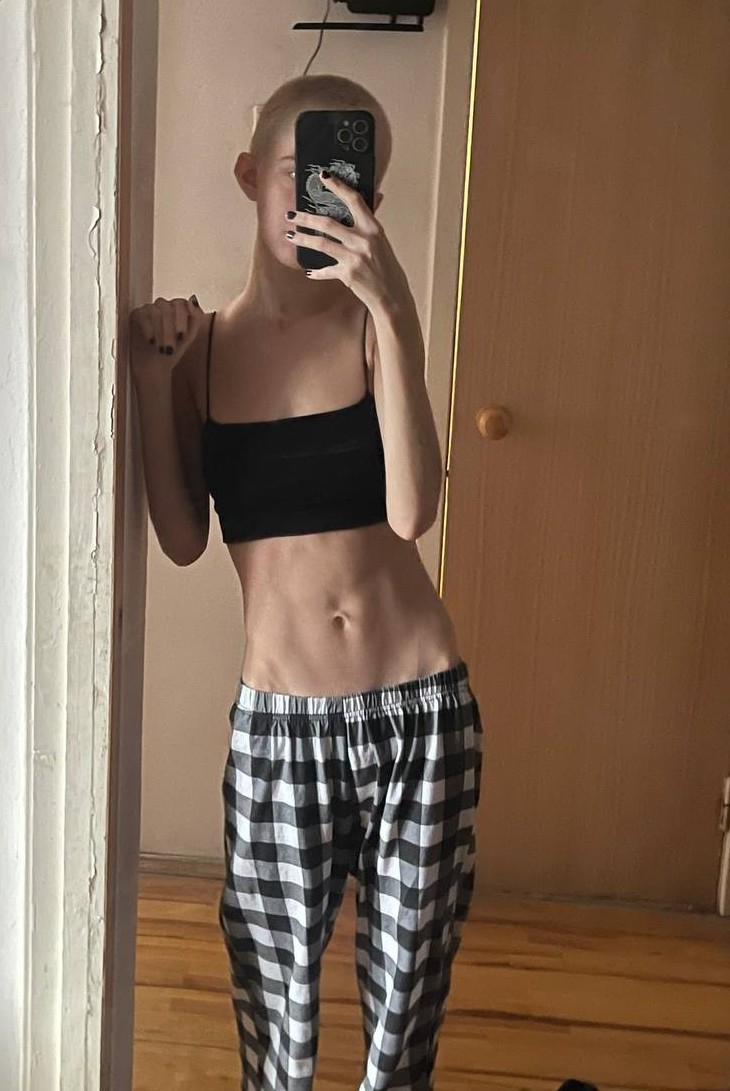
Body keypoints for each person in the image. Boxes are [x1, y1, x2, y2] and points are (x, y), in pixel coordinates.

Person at [129, 73, 483, 1091]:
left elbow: (413, 512)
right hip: (281, 723)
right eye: (300, 172)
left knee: (404, 1010)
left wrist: (396, 310)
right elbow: (182, 536)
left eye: (346, 177)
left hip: (420, 708)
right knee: (272, 1006)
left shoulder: (372, 330)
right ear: (250, 176)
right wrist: (153, 381)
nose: (322, 196)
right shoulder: (201, 350)